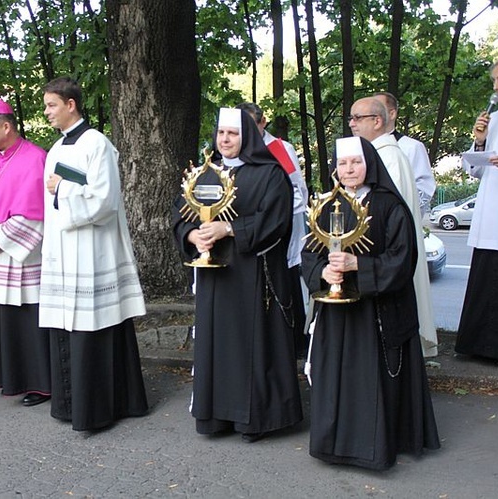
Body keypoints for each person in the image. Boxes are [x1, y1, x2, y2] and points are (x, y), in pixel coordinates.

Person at [302, 136, 440, 470]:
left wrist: (357, 267)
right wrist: (323, 273)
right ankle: (334, 445)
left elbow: (402, 259)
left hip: (375, 311)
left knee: (370, 380)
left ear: (370, 164)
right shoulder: (327, 204)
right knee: (336, 377)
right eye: (342, 163)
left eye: (356, 162)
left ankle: (373, 447)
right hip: (336, 312)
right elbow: (309, 253)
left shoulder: (390, 205)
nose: (348, 169)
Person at [172, 108, 303, 442]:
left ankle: (254, 419)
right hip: (214, 275)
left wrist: (228, 228)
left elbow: (276, 221)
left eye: (232, 134)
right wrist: (192, 235)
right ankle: (216, 416)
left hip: (253, 273)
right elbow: (180, 211)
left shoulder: (270, 173)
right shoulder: (205, 173)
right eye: (220, 134)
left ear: (248, 135)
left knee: (252, 345)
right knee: (216, 345)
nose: (225, 140)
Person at [40, 76, 148, 431]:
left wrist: (62, 191)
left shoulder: (96, 144)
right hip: (64, 250)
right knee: (69, 328)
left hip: (91, 249)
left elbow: (104, 201)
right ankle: (71, 405)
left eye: (52, 105)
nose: (47, 112)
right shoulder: (56, 149)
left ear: (71, 104)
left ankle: (102, 407)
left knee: (96, 326)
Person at [0, 99, 51, 406]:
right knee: (6, 319)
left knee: (28, 319)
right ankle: (14, 380)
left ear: (6, 126)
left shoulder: (34, 159)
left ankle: (40, 384)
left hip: (20, 257)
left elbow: (35, 214)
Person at [349, 97, 438, 358]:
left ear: (378, 121)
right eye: (351, 118)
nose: (352, 124)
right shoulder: (376, 152)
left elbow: (385, 215)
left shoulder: (388, 154)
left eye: (357, 118)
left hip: (381, 254)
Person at [456, 55, 498, 369]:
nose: (496, 87)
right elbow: (474, 170)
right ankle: (481, 345)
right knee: (488, 275)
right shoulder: (493, 118)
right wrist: (480, 142)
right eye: (494, 80)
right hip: (492, 206)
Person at [236, 102, 309, 356]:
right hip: (247, 227)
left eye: (252, 125)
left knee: (287, 277)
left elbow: (297, 188)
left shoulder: (280, 148)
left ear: (262, 122)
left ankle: (293, 338)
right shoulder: (235, 148)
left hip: (283, 221)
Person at [373, 92, 436, 216]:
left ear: (392, 114)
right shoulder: (361, 147)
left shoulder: (412, 147)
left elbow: (424, 189)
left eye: (378, 109)